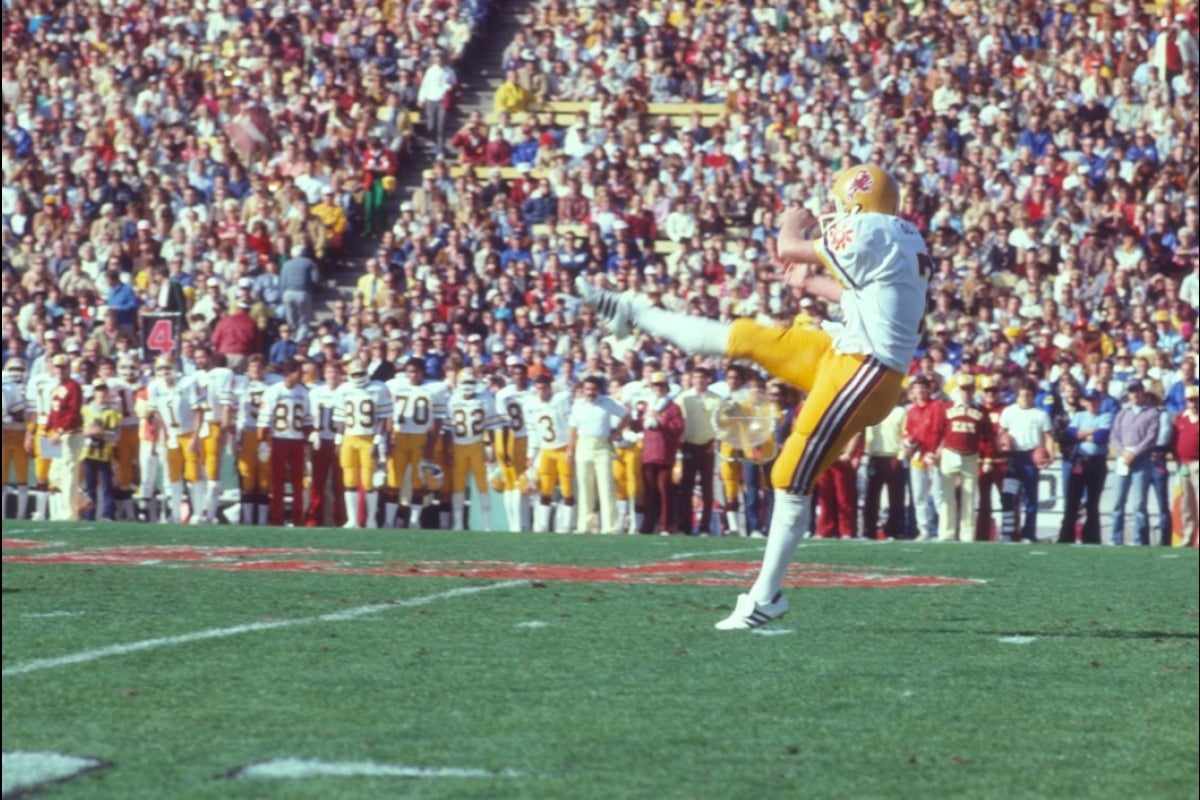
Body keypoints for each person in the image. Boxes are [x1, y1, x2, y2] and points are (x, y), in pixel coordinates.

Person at [579, 164, 930, 628]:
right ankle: (631, 310)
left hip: (863, 371)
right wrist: (808, 285)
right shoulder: (901, 236)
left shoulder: (869, 230)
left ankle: (765, 598)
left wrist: (792, 218)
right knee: (745, 337)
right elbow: (860, 300)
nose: (835, 214)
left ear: (858, 204)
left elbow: (788, 246)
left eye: (841, 206)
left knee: (788, 477)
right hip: (848, 353)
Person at [566, 375, 630, 535]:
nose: (590, 392)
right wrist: (570, 449)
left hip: (602, 446)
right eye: (587, 389)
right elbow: (573, 428)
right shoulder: (577, 405)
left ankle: (610, 527)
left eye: (593, 389)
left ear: (598, 390)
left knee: (606, 486)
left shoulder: (607, 403)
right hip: (583, 446)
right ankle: (584, 526)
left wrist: (616, 432)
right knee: (584, 487)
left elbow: (626, 415)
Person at [334, 360, 391, 529]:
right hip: (349, 439)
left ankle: (371, 519)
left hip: (368, 438)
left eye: (361, 373)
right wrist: (338, 440)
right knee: (349, 479)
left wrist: (378, 440)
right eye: (355, 374)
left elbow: (383, 417)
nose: (359, 377)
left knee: (368, 481)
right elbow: (341, 419)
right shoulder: (343, 390)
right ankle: (353, 520)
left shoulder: (378, 388)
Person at [997, 378, 1055, 543]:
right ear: (1018, 392)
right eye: (1023, 391)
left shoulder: (1041, 414)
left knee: (1030, 499)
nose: (1025, 395)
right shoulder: (1009, 411)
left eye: (1029, 392)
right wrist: (1001, 445)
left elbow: (1048, 437)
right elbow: (1001, 432)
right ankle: (1008, 532)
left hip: (1031, 457)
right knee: (1008, 495)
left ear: (1033, 395)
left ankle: (1028, 534)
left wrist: (1050, 456)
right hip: (1014, 458)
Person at [257, 358, 314, 526]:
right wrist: (262, 441)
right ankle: (277, 517)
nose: (301, 375)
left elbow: (307, 420)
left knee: (298, 482)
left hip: (296, 440)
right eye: (298, 372)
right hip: (278, 438)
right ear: (288, 373)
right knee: (277, 482)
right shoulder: (273, 391)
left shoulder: (303, 392)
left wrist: (310, 437)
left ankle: (298, 518)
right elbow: (264, 419)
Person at [936, 374, 992, 542]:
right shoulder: (946, 408)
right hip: (949, 453)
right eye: (963, 389)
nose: (966, 392)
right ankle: (946, 534)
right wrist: (931, 451)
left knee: (969, 498)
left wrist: (988, 458)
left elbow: (988, 437)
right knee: (947, 497)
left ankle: (967, 536)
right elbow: (938, 431)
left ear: (974, 390)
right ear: (958, 390)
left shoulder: (982, 411)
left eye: (969, 389)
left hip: (971, 456)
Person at [1058, 388, 1112, 545]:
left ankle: (1092, 537)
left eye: (1094, 400)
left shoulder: (1105, 416)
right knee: (1072, 501)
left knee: (1092, 503)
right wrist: (1090, 432)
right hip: (1080, 460)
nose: (1092, 404)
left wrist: (1083, 435)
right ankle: (1066, 536)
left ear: (1099, 401)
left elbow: (1100, 436)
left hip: (1096, 462)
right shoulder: (1079, 415)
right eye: (1089, 400)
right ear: (1084, 402)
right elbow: (1070, 433)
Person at [1109, 380, 1160, 546]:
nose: (1134, 394)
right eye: (1131, 391)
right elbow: (1114, 436)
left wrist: (1135, 453)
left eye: (1137, 391)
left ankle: (1140, 540)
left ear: (1142, 392)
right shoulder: (1122, 413)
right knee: (1118, 502)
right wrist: (1123, 452)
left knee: (1139, 504)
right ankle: (1116, 539)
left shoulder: (1152, 413)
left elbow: (1151, 438)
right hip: (1123, 458)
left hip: (1141, 459)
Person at [525, 373, 577, 533]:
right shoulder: (530, 405)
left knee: (567, 489)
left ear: (550, 388)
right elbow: (532, 432)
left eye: (544, 388)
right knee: (545, 489)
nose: (541, 391)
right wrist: (530, 455)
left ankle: (567, 525)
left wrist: (571, 448)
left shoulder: (561, 400)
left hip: (562, 448)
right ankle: (543, 525)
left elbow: (572, 425)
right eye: (538, 388)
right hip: (546, 450)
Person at [634, 371, 684, 535]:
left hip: (664, 453)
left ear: (666, 387)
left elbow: (678, 428)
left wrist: (661, 420)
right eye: (656, 385)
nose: (658, 389)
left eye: (661, 386)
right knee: (648, 491)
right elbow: (639, 426)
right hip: (648, 453)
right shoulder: (648, 404)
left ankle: (666, 525)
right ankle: (648, 524)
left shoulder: (672, 407)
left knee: (664, 491)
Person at [675, 364, 721, 535]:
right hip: (689, 445)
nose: (699, 381)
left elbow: (721, 423)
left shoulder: (716, 399)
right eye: (696, 377)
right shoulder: (683, 398)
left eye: (703, 377)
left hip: (707, 446)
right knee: (686, 488)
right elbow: (676, 420)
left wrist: (715, 440)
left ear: (708, 379)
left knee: (707, 488)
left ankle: (704, 527)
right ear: (692, 379)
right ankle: (684, 526)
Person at [903, 375, 946, 541]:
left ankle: (944, 530)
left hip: (934, 457)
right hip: (917, 456)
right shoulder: (911, 411)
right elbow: (908, 432)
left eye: (923, 387)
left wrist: (935, 452)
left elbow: (940, 431)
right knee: (919, 495)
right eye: (917, 388)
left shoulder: (936, 406)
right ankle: (924, 530)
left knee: (938, 494)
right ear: (912, 390)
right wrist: (907, 442)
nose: (920, 391)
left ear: (929, 389)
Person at [45, 353, 86, 520]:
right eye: (57, 367)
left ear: (69, 368)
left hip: (70, 434)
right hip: (57, 435)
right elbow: (54, 411)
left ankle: (69, 513)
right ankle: (82, 500)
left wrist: (60, 430)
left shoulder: (73, 386)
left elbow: (73, 412)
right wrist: (48, 428)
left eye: (63, 367)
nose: (60, 370)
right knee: (54, 475)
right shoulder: (57, 387)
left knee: (69, 472)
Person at [862, 399, 908, 540]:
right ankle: (869, 530)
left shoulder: (900, 412)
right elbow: (868, 434)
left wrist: (901, 456)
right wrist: (867, 454)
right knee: (871, 496)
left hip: (893, 456)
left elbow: (905, 434)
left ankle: (892, 530)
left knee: (895, 497)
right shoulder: (873, 410)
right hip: (875, 457)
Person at [80, 380, 121, 521]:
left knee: (107, 487)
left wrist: (103, 433)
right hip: (88, 452)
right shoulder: (85, 410)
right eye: (98, 390)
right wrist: (90, 431)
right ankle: (89, 515)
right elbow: (78, 430)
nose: (101, 393)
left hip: (104, 454)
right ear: (93, 392)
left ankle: (109, 515)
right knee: (89, 486)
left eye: (104, 390)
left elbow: (116, 435)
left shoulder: (111, 412)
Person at [2, 358, 31, 519]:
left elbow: (23, 413)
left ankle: (21, 514)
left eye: (19, 369)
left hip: (20, 433)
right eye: (12, 369)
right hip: (4, 434)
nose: (15, 372)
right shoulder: (5, 385)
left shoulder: (28, 387)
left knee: (22, 476)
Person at [1173, 385, 1199, 547]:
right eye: (1191, 400)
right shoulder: (1181, 417)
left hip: (1198, 463)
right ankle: (1188, 536)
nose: (1194, 403)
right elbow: (1174, 438)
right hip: (1183, 463)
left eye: (1196, 400)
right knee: (1186, 502)